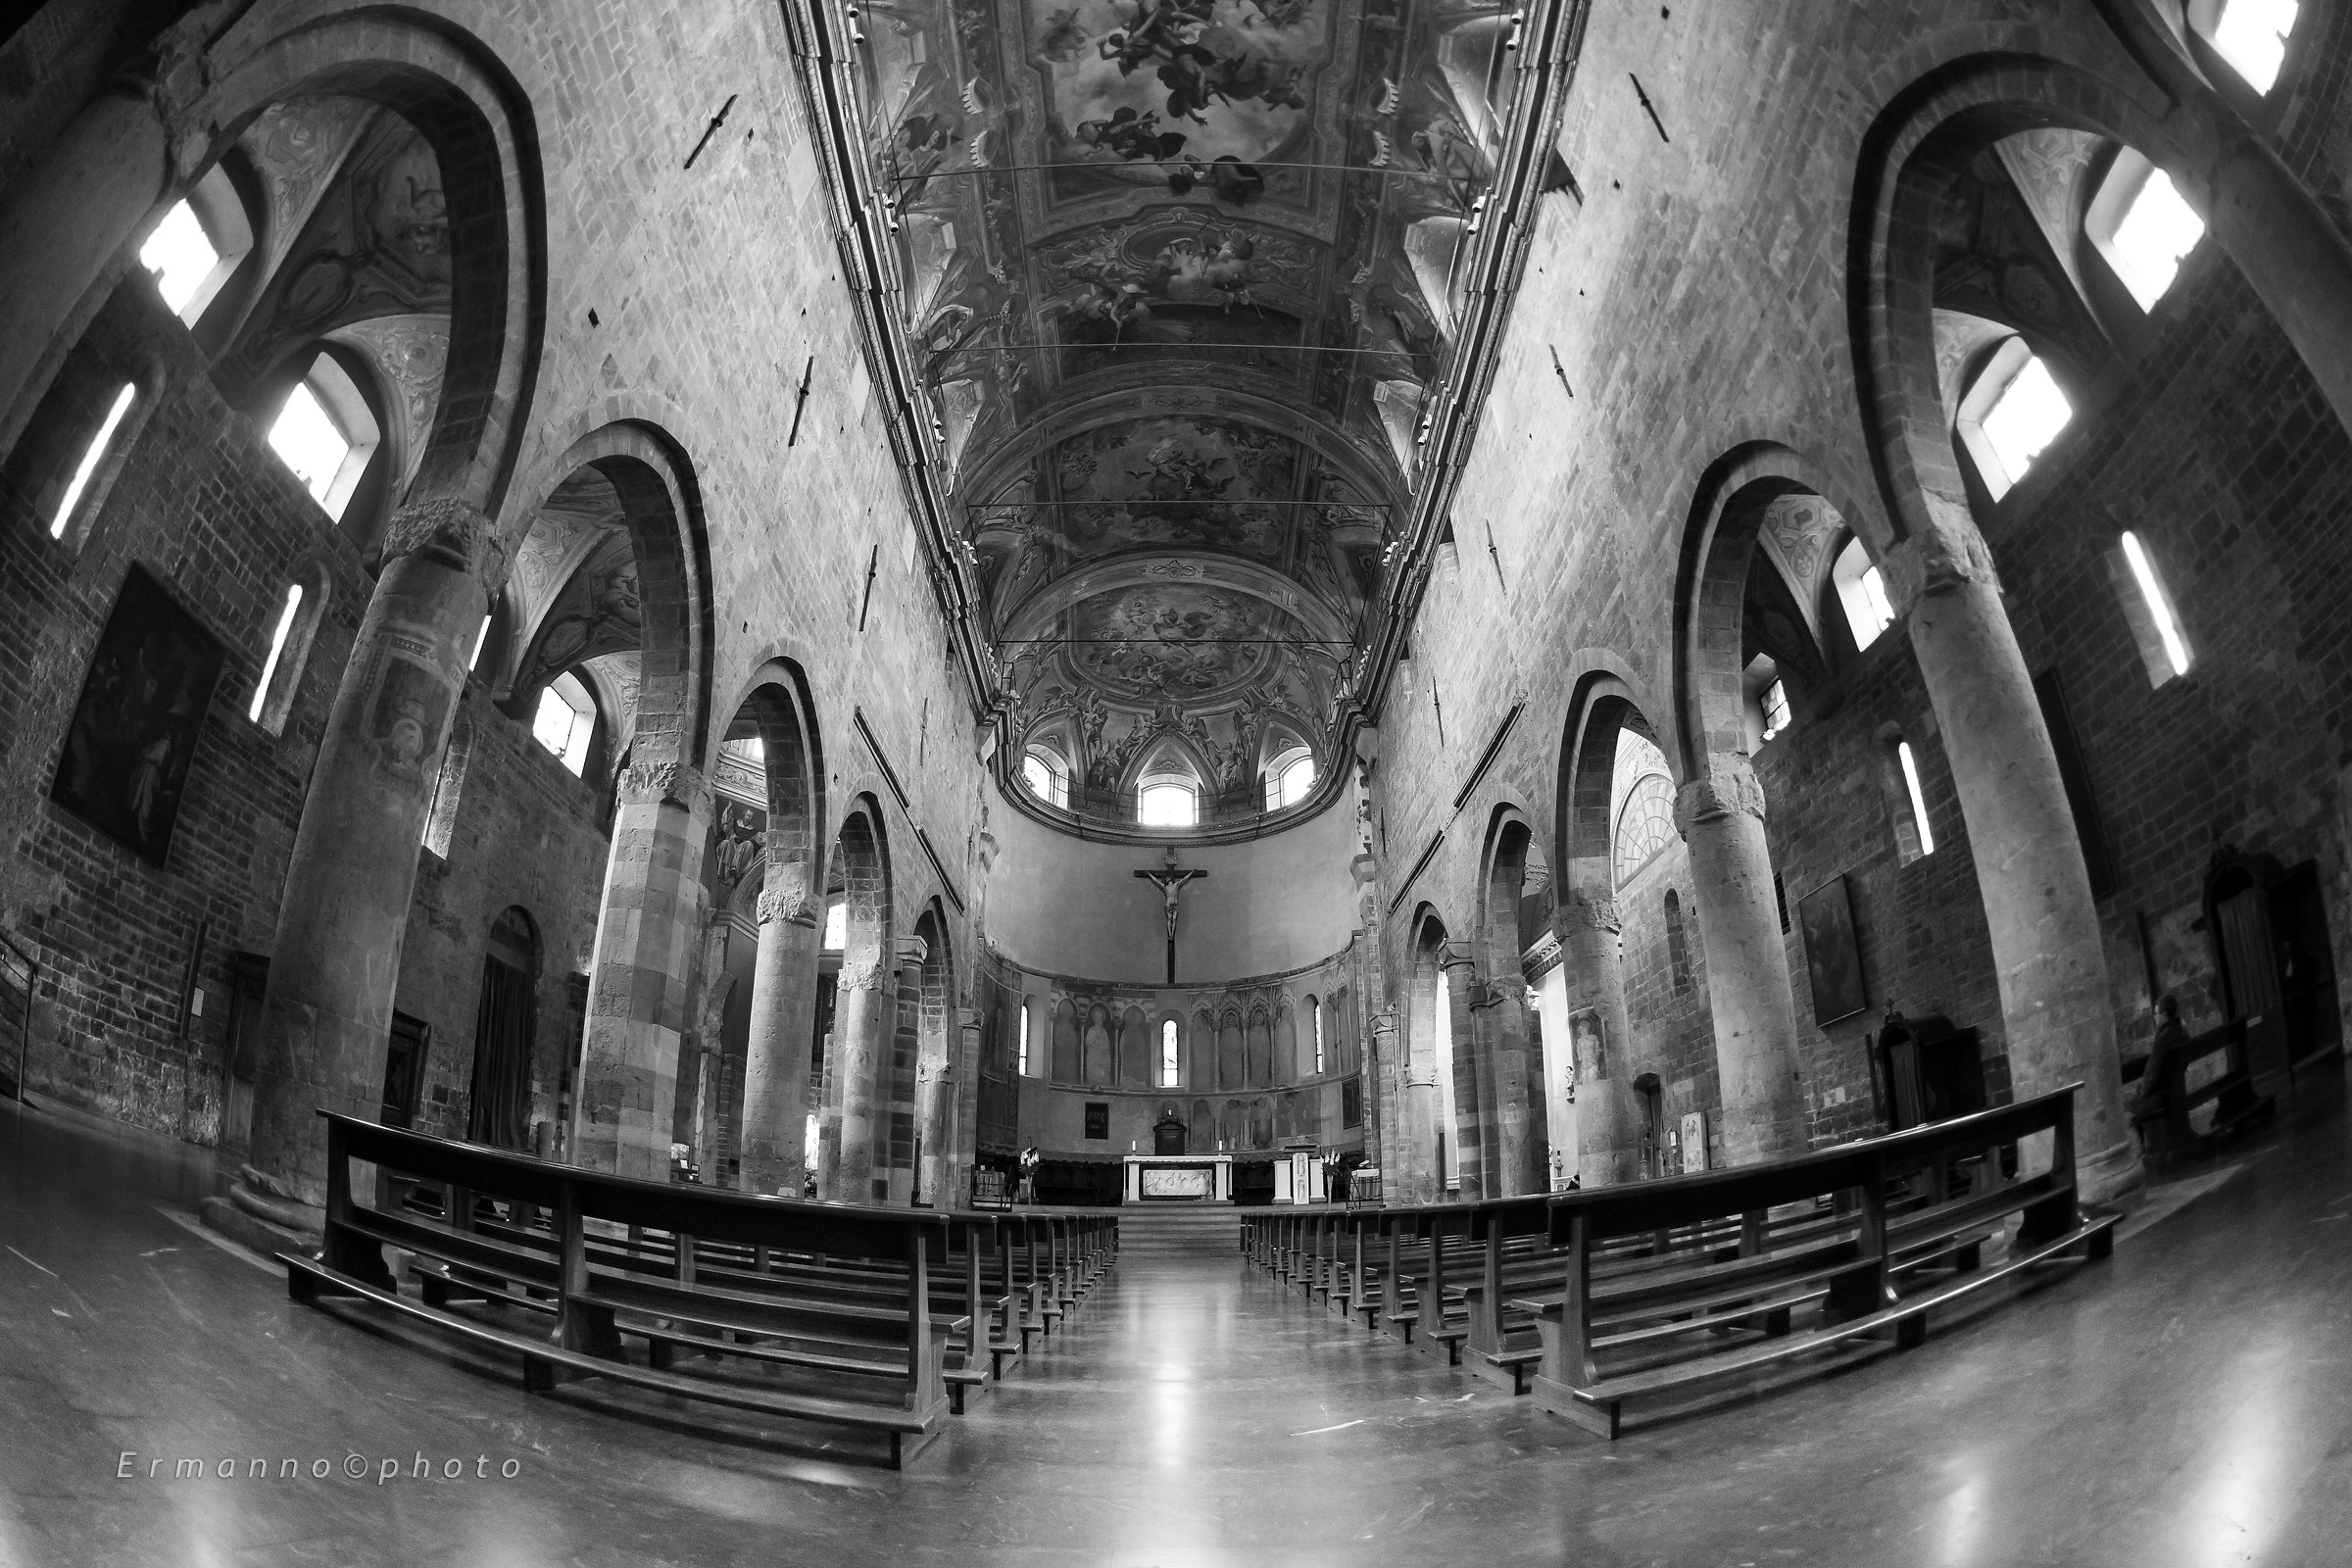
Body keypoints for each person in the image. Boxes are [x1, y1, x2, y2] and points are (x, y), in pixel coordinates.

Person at [2128, 995, 2189, 1123]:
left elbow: (2152, 1075)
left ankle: (2146, 1143)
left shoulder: (2162, 1039)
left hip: (2163, 1096)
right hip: (2177, 1088)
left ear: (2164, 1015)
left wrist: (2141, 1090)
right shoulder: (2182, 1032)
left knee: (2128, 1112)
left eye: (2156, 1013)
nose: (2155, 1017)